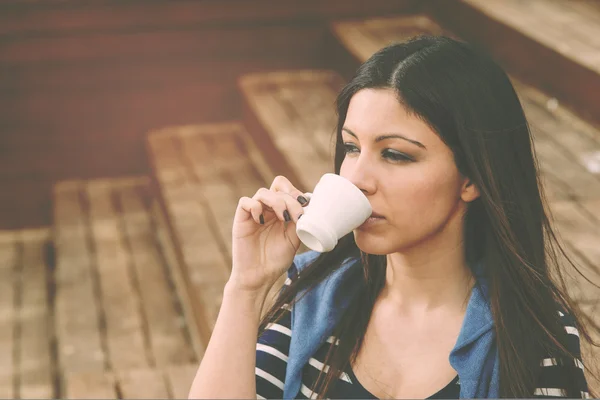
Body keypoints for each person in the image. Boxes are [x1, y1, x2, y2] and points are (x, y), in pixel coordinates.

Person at [188, 35, 598, 399]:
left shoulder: (528, 338)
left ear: (472, 178)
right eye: (351, 148)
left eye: (396, 154)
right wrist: (245, 287)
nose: (358, 178)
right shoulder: (315, 293)